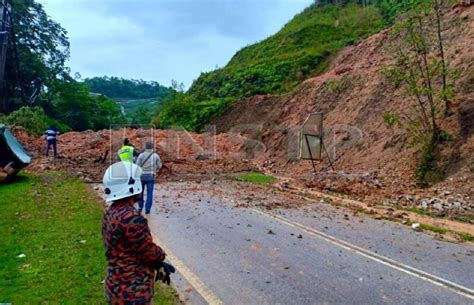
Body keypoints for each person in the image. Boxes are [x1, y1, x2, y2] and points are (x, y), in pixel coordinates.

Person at [102, 161, 174, 304]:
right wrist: (160, 259)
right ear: (132, 186)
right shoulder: (132, 218)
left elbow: (130, 247)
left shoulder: (110, 212)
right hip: (132, 290)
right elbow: (147, 250)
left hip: (115, 284)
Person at [136, 142, 162, 214]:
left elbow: (137, 165)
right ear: (152, 147)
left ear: (146, 147)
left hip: (142, 176)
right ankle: (147, 209)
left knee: (140, 192)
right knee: (149, 193)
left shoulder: (141, 155)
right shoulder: (156, 156)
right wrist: (154, 169)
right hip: (151, 176)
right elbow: (159, 166)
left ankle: (140, 207)